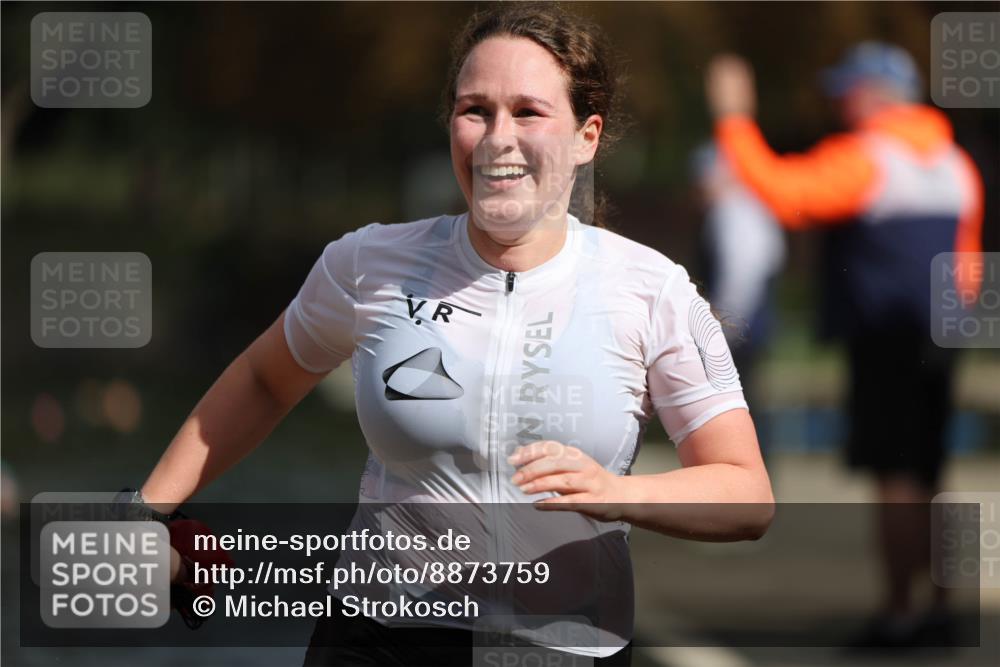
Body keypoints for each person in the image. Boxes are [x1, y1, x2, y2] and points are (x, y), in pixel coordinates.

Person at [133, 4, 774, 665]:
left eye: (528, 112)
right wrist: (147, 508)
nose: (498, 138)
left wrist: (621, 492)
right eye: (475, 110)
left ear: (587, 136)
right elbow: (266, 379)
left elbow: (747, 493)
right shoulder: (368, 263)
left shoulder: (652, 288)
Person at [705, 42, 984, 648]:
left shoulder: (871, 156)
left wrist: (733, 118)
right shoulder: (956, 163)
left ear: (872, 94)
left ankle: (898, 614)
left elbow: (785, 193)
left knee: (895, 477)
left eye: (846, 89)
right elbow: (968, 266)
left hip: (886, 334)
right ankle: (939, 609)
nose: (837, 101)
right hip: (940, 333)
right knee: (932, 472)